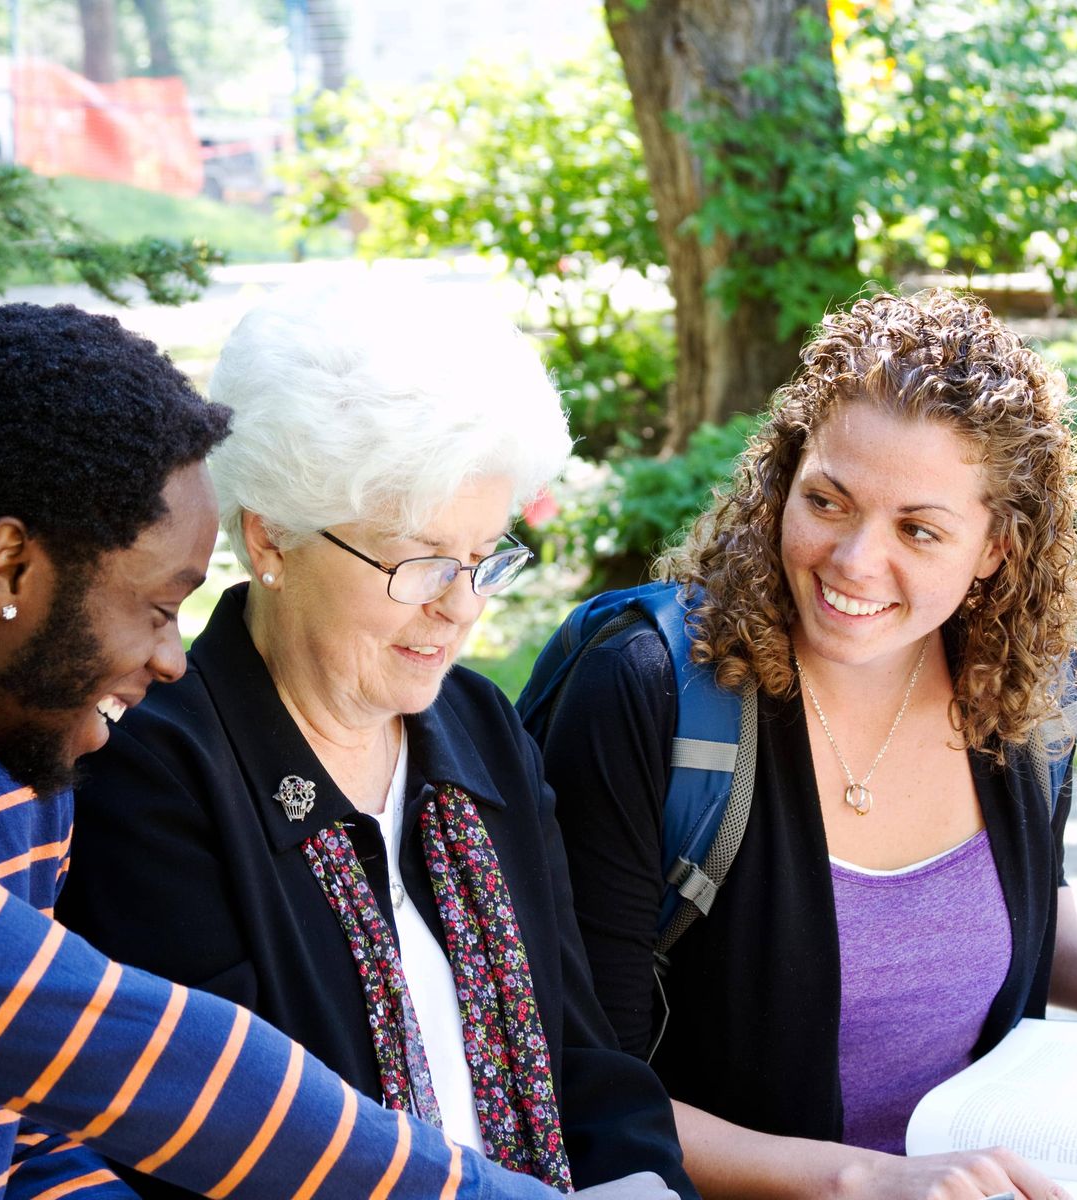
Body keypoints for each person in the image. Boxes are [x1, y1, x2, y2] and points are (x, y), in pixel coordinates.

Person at [0, 303, 668, 1200]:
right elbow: (134, 1059)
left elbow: (22, 1131)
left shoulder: (7, 772)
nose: (173, 660)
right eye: (160, 609)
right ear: (11, 567)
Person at [533, 291, 1077, 1200]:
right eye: (827, 502)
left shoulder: (1026, 691)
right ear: (783, 480)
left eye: (918, 529)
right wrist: (864, 1181)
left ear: (997, 546)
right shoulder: (644, 690)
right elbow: (576, 1077)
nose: (853, 562)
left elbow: (1019, 905)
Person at [57, 282, 694, 1199]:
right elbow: (223, 1146)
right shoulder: (159, 777)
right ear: (271, 541)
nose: (461, 606)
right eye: (419, 560)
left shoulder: (480, 729)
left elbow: (587, 1063)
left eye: (483, 557)